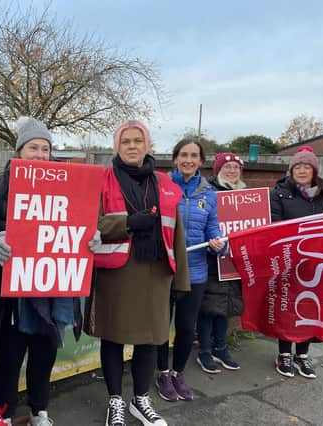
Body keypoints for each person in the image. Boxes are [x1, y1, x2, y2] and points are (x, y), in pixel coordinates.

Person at [0, 117, 80, 426]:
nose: (39, 154)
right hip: (11, 294)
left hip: (51, 288)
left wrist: (90, 238)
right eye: (32, 147)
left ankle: (39, 410)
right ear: (19, 151)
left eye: (45, 149)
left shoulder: (65, 184)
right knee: (8, 358)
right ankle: (2, 414)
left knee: (44, 356)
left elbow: (77, 224)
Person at [84, 120, 190, 426]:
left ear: (148, 146)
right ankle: (115, 401)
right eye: (126, 141)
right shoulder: (100, 181)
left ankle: (140, 400)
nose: (132, 146)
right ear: (116, 146)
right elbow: (90, 224)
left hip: (156, 273)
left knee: (150, 339)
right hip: (116, 273)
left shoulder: (165, 185)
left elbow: (177, 234)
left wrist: (180, 279)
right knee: (114, 340)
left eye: (137, 140)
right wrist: (129, 223)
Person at [155, 139, 225, 402]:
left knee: (185, 328)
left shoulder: (209, 193)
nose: (188, 160)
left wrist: (218, 244)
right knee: (161, 327)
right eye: (183, 155)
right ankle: (162, 372)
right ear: (175, 158)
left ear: (200, 160)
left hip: (194, 273)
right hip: (164, 271)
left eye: (194, 155)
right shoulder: (162, 186)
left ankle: (177, 372)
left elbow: (213, 229)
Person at [269, 145, 323, 379]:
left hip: (319, 262)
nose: (301, 170)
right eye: (297, 166)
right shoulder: (280, 194)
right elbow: (274, 225)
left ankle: (302, 353)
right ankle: (284, 353)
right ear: (291, 170)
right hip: (290, 260)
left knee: (311, 306)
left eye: (306, 166)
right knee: (288, 307)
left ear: (314, 170)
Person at [195, 152, 246, 374]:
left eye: (236, 167)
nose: (232, 171)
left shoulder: (246, 194)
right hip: (211, 258)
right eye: (227, 168)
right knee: (207, 308)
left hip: (234, 260)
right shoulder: (208, 192)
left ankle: (221, 348)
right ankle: (205, 351)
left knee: (225, 307)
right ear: (218, 170)